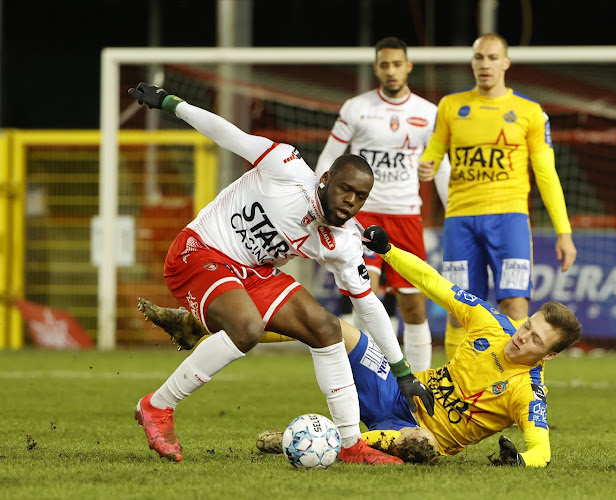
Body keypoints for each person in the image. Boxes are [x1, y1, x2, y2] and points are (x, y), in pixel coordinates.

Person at [126, 82, 434, 465]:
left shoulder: (341, 241)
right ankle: (158, 406)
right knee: (247, 328)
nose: (350, 202)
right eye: (345, 190)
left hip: (254, 272)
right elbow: (229, 135)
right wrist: (174, 104)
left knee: (326, 329)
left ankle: (351, 444)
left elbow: (368, 305)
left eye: (359, 198)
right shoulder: (285, 165)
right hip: (201, 250)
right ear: (325, 180)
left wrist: (403, 370)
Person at [257, 226, 582, 466]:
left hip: (413, 434)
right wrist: (387, 250)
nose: (523, 336)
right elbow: (432, 281)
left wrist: (521, 460)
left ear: (549, 356)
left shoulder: (527, 391)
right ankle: (249, 331)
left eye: (535, 340)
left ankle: (313, 442)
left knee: (423, 445)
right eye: (527, 325)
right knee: (330, 326)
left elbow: (542, 449)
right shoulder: (492, 322)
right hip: (396, 387)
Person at [418, 33, 578, 360]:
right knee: (459, 308)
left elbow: (546, 174)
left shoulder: (530, 113)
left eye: (492, 58)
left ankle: (520, 383)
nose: (485, 64)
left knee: (515, 304)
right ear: (472, 63)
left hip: (510, 220)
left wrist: (564, 232)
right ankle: (458, 386)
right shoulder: (450, 106)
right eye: (479, 58)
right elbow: (434, 150)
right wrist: (427, 165)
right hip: (460, 220)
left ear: (506, 63)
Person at [316, 37, 451, 372]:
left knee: (414, 307)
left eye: (397, 64)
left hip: (406, 215)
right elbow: (330, 158)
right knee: (365, 295)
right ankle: (362, 380)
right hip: (363, 214)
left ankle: (421, 383)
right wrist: (315, 203)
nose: (391, 71)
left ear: (408, 66)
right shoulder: (356, 108)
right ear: (376, 68)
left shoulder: (428, 113)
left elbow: (441, 167)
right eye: (384, 65)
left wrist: (455, 213)